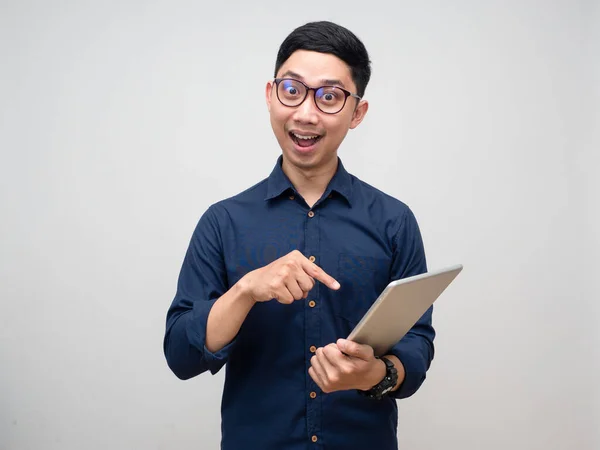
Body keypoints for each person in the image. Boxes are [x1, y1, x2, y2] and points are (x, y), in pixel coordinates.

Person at [163, 20, 435, 450]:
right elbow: (180, 353)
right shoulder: (223, 222)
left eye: (330, 97)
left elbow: (417, 343)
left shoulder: (394, 221)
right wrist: (246, 290)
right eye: (293, 90)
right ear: (271, 95)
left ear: (357, 113)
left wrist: (376, 374)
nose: (306, 113)